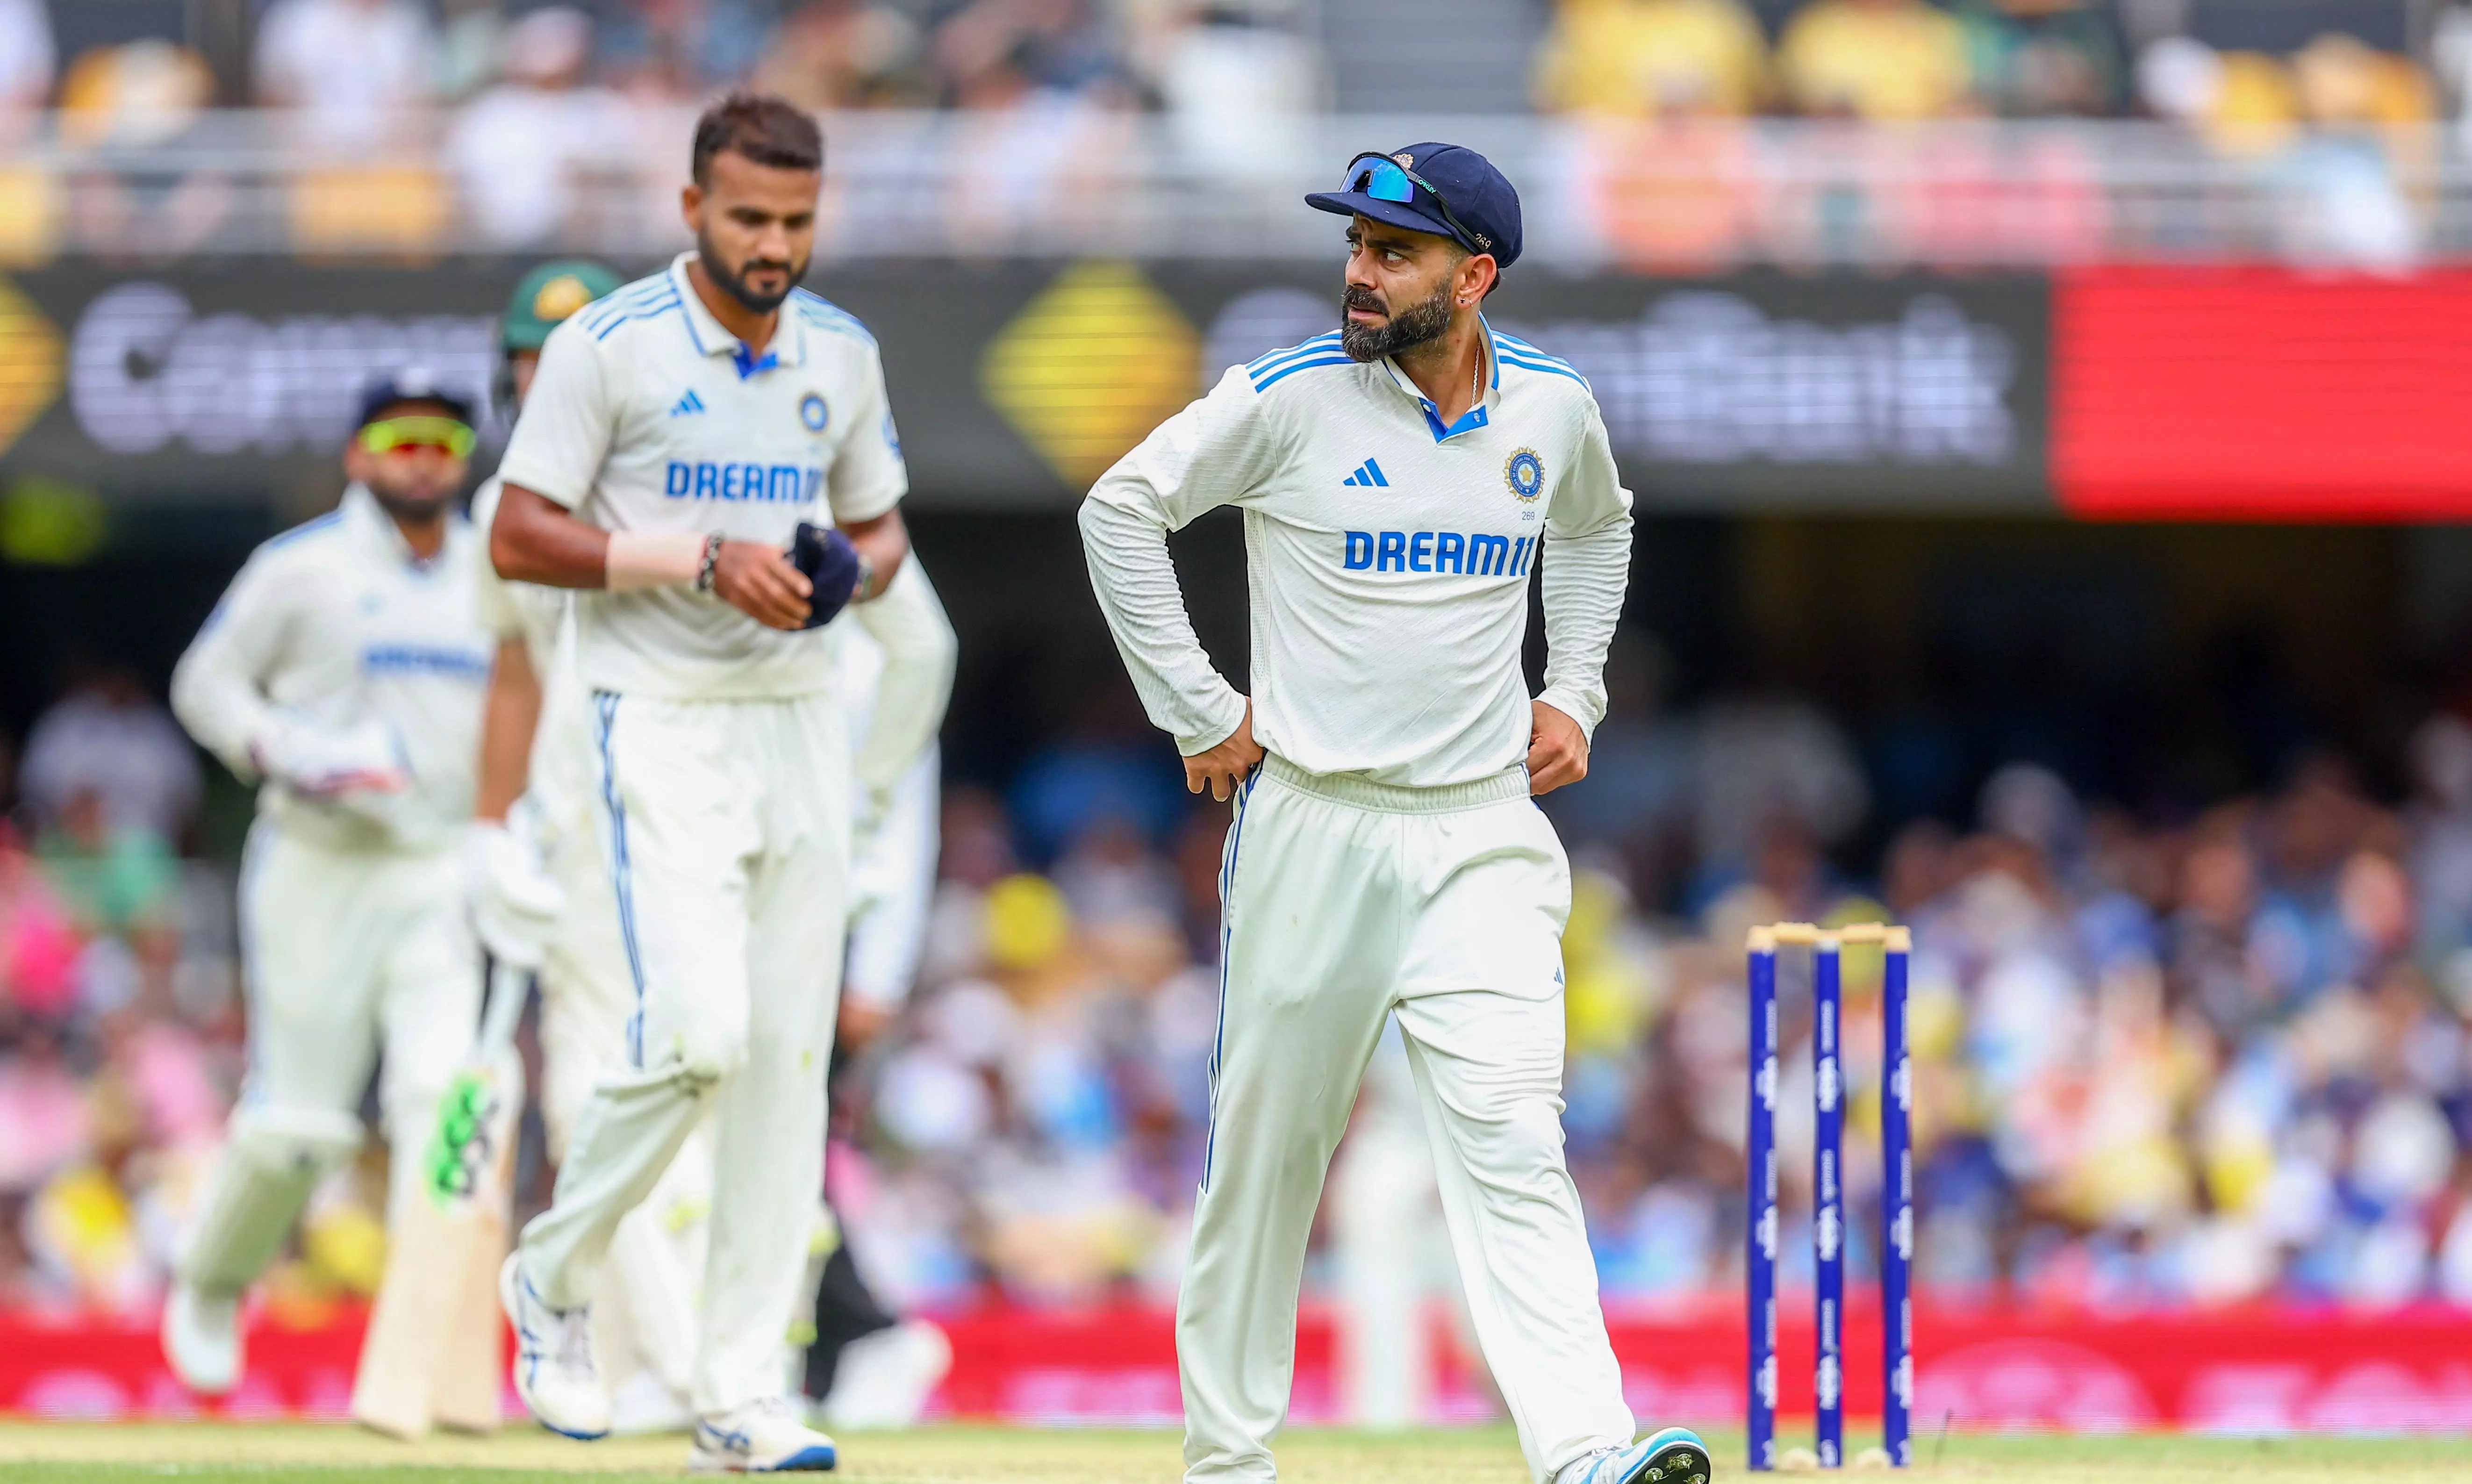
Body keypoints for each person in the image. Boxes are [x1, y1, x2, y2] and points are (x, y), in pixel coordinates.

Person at [1077, 143, 1708, 1484]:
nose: (1361, 274)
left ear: (1474, 276)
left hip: (1481, 825)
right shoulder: (1289, 397)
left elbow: (1600, 528)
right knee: (1268, 1155)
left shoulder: (1552, 409)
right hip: (1313, 819)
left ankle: (1586, 1448)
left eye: (1396, 253)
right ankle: (1229, 1457)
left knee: (1513, 1133)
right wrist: (1197, 706)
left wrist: (1576, 688)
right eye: (1357, 247)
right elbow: (1120, 509)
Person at [484, 93, 913, 1472]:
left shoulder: (842, 353)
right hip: (657, 714)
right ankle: (552, 1277)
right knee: (698, 1035)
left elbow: (878, 530)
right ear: (691, 210)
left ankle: (738, 1386)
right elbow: (516, 533)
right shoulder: (604, 348)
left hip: (798, 719)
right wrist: (696, 553)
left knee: (790, 1070)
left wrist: (845, 575)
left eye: (795, 220)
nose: (774, 244)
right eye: (748, 217)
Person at [161, 370, 493, 1395]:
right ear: (358, 452)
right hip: (317, 863)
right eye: (399, 436)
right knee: (301, 1129)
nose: (422, 455)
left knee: (444, 1107)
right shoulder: (296, 570)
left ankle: (422, 1345)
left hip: (439, 867)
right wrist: (284, 748)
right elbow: (203, 684)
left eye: (442, 437)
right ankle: (214, 1280)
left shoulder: (498, 572)